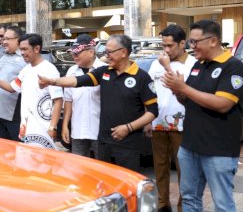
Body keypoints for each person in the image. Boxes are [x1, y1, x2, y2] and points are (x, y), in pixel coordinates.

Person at [163, 20, 243, 212]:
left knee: (222, 203)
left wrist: (184, 88)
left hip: (219, 148)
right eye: (190, 42)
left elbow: (222, 104)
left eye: (195, 42)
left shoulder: (233, 67)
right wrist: (179, 92)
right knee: (189, 196)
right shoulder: (199, 66)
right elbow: (191, 100)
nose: (192, 47)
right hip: (191, 145)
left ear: (213, 41)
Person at [38, 34, 158, 171]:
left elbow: (153, 111)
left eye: (109, 52)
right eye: (105, 52)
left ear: (123, 52)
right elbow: (76, 81)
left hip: (128, 143)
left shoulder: (142, 77)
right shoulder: (104, 72)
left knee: (127, 182)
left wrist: (128, 128)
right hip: (104, 142)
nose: (106, 56)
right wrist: (52, 81)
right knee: (103, 180)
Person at [146, 24, 196, 212]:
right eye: (163, 45)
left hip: (182, 125)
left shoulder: (193, 64)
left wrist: (168, 65)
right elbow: (149, 92)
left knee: (184, 170)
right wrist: (147, 118)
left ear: (182, 43)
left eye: (170, 45)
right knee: (160, 167)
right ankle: (162, 204)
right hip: (158, 122)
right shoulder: (156, 64)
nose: (166, 50)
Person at [0, 33, 63, 149]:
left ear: (37, 48)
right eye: (21, 49)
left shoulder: (49, 70)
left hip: (43, 130)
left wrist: (53, 127)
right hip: (27, 129)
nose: (22, 53)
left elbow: (58, 100)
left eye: (25, 49)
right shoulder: (26, 70)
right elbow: (12, 88)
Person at [62, 34, 107, 157]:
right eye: (73, 53)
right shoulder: (71, 71)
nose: (74, 56)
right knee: (79, 169)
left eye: (78, 53)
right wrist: (65, 125)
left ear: (91, 52)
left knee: (101, 167)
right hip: (78, 130)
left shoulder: (104, 70)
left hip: (99, 130)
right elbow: (68, 100)